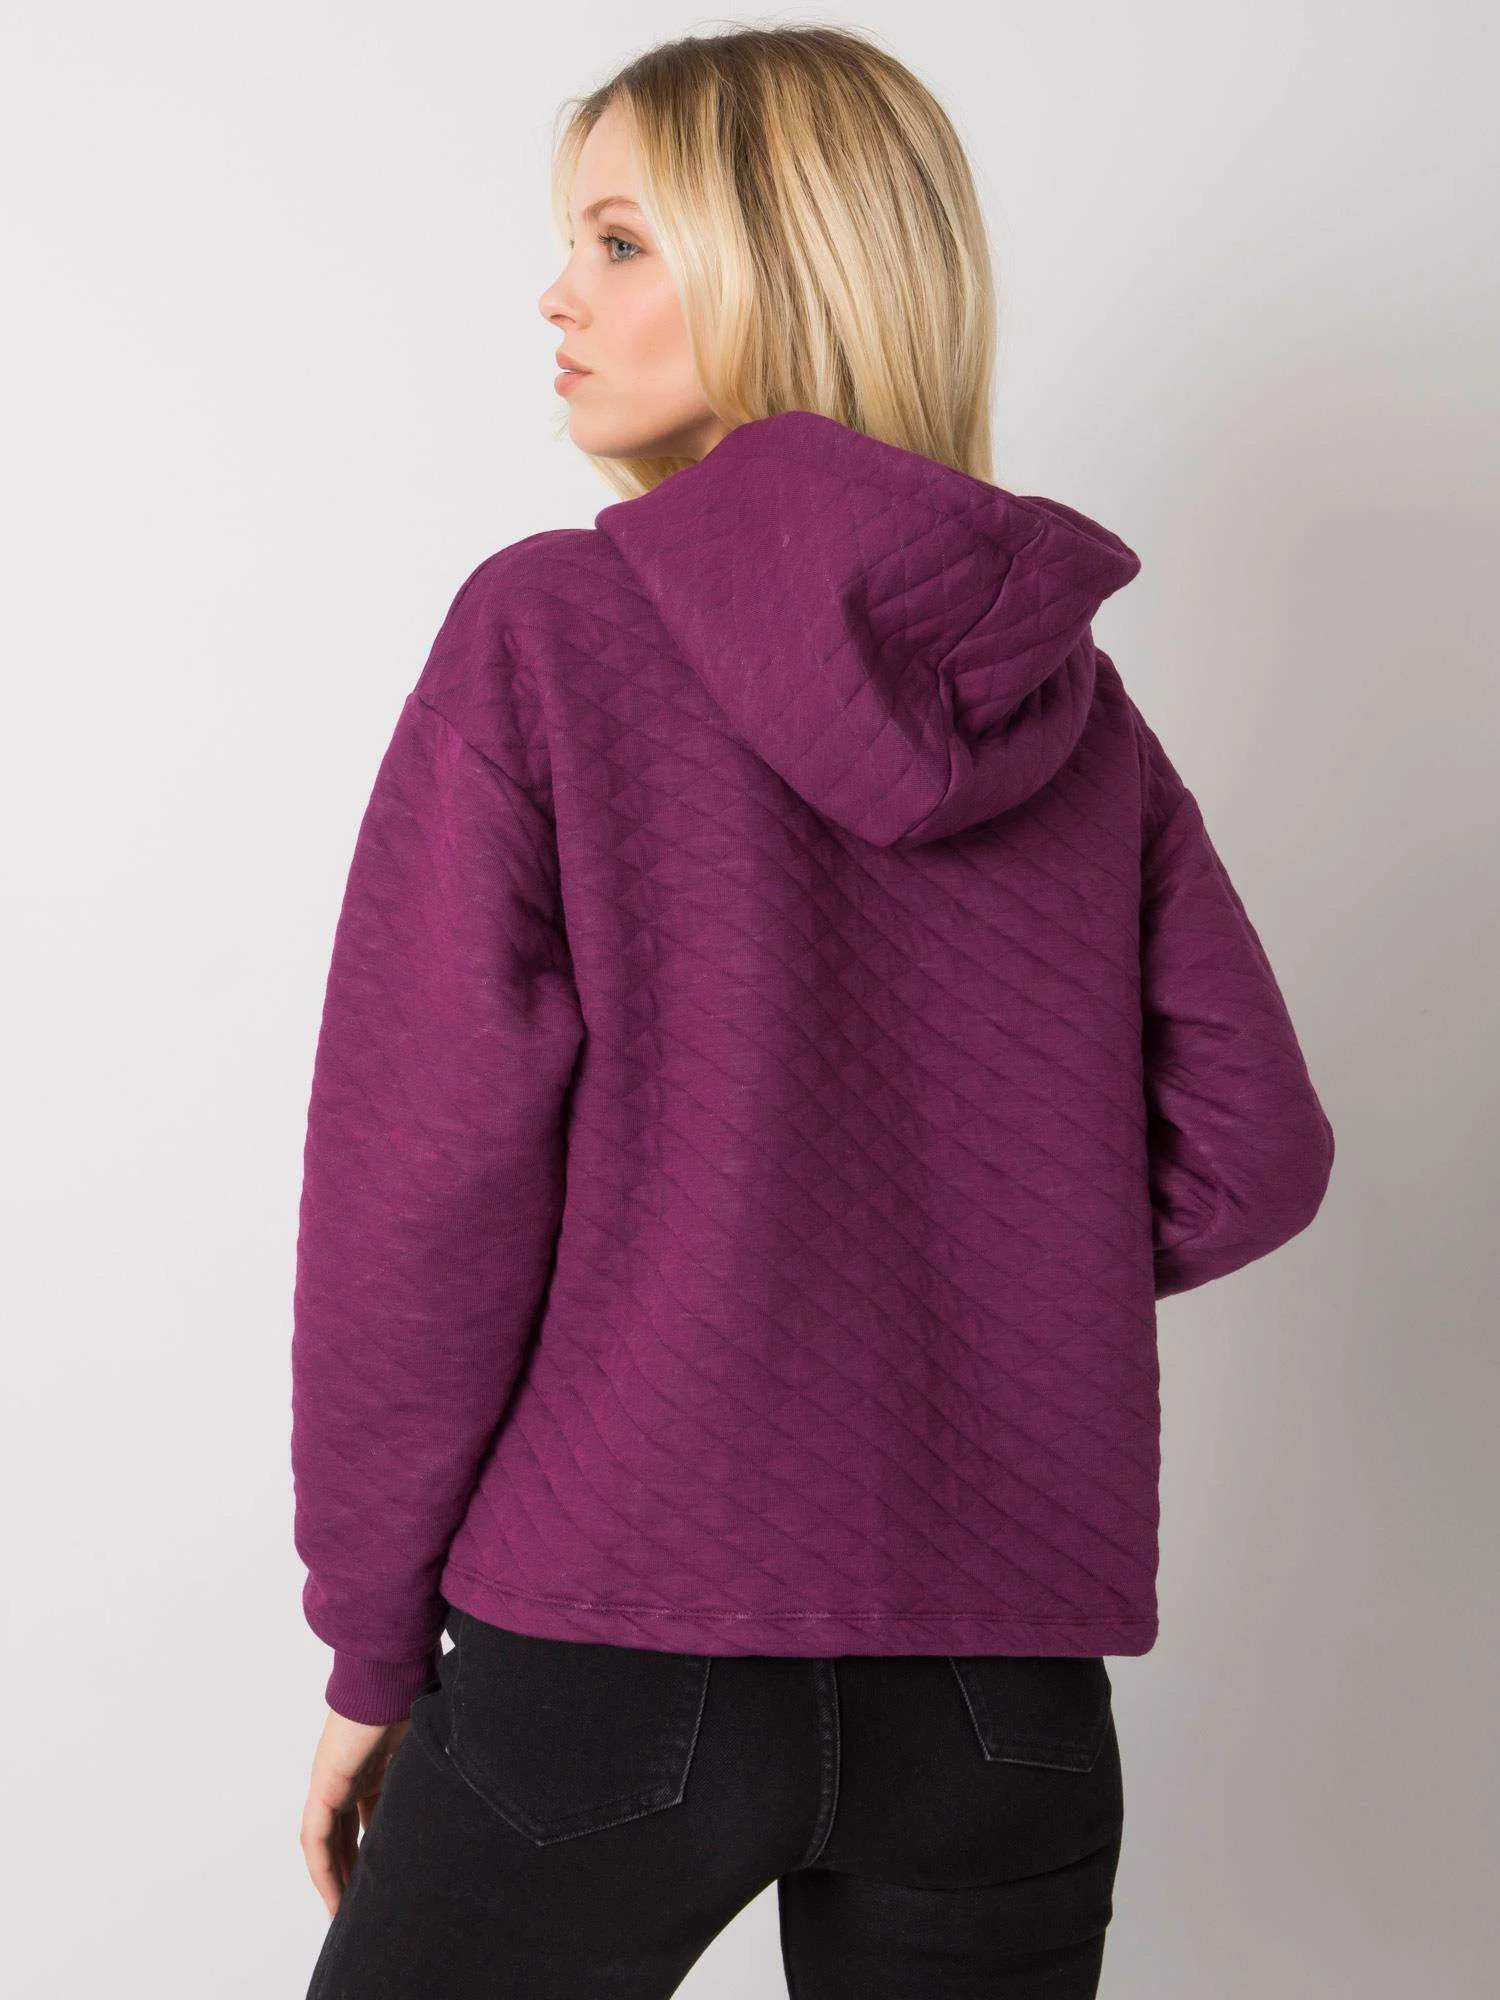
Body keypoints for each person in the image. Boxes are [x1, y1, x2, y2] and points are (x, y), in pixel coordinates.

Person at [290, 25, 1336, 1999]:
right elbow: (1255, 1147)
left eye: (618, 240)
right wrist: (979, 1267)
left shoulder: (548, 632)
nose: (556, 293)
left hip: (613, 1644)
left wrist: (367, 1647)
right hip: (1002, 1688)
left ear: (783, 269)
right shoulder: (1061, 702)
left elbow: (421, 1190)